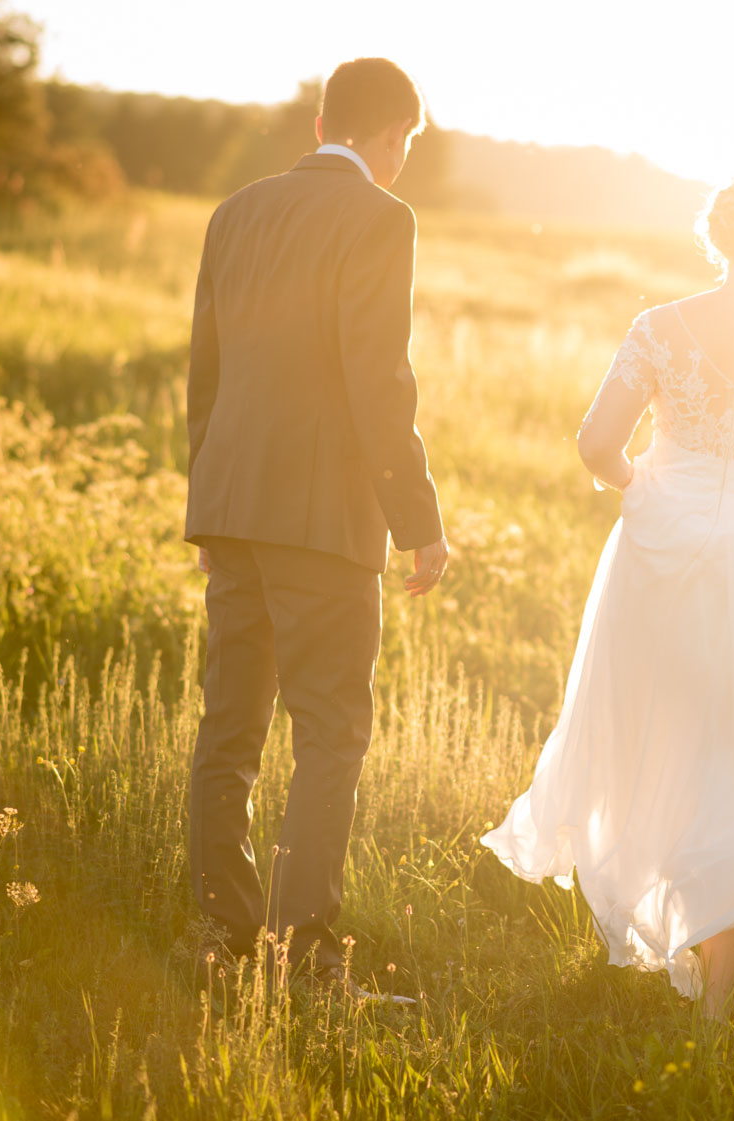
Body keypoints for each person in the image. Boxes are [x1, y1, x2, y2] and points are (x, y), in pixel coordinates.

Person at [482, 169, 734, 1019]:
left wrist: (647, 486)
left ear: (719, 236)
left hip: (663, 551)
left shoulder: (658, 327)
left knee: (659, 732)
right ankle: (717, 996)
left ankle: (666, 912)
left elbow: (597, 442)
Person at [183, 57, 449, 1006]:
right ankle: (308, 964)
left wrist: (204, 502)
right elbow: (378, 378)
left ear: (321, 121)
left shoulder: (236, 212)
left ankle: (220, 938)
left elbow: (203, 370)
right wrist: (419, 521)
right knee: (330, 731)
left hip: (232, 507)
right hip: (323, 519)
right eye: (406, 147)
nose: (403, 163)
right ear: (392, 136)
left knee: (231, 722)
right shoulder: (382, 217)